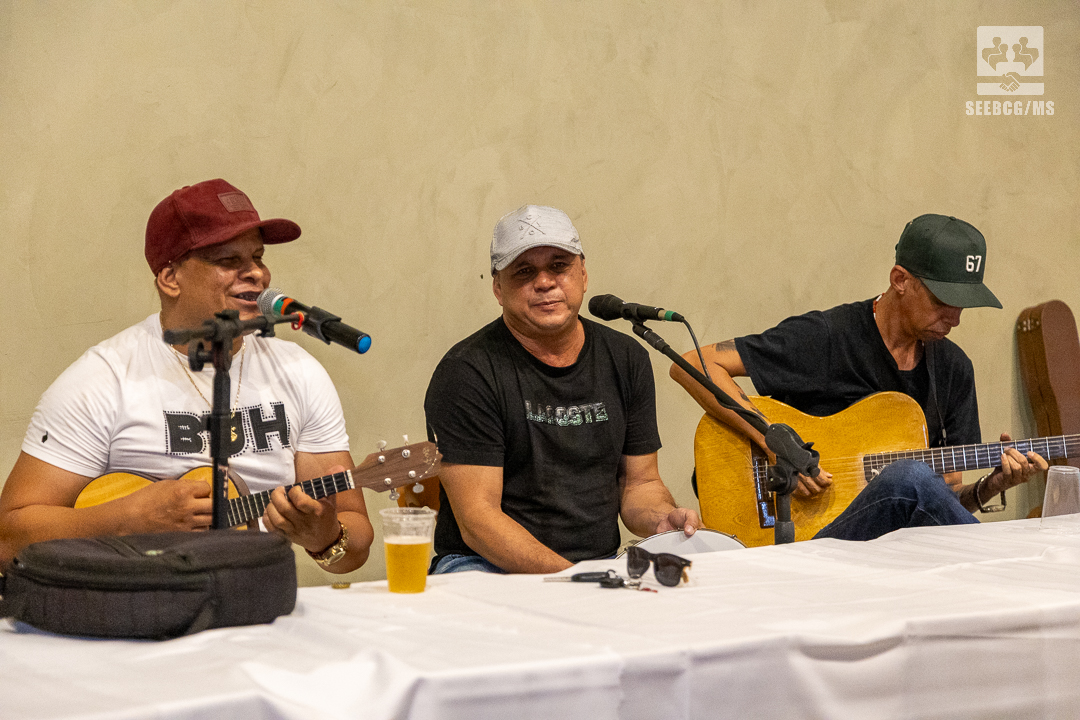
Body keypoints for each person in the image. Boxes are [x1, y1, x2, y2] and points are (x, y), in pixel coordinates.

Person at [0, 179, 374, 572]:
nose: (256, 274)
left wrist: (324, 536)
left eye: (258, 257)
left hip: (255, 595)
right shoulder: (103, 378)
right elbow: (8, 537)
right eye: (228, 261)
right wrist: (125, 519)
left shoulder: (299, 371)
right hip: (138, 596)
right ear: (170, 278)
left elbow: (355, 540)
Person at [671, 214, 1047, 541]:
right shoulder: (827, 337)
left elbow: (940, 503)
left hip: (898, 553)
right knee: (908, 476)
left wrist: (991, 486)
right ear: (900, 279)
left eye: (962, 305)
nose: (955, 319)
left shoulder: (954, 369)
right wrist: (776, 443)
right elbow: (694, 364)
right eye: (941, 301)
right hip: (813, 542)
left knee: (912, 480)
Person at [424, 204, 700, 574]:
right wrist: (574, 579)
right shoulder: (466, 372)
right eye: (524, 271)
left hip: (597, 564)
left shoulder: (626, 357)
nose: (545, 282)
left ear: (583, 274)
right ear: (498, 288)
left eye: (559, 266)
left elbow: (641, 484)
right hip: (484, 565)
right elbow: (479, 522)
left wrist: (662, 518)